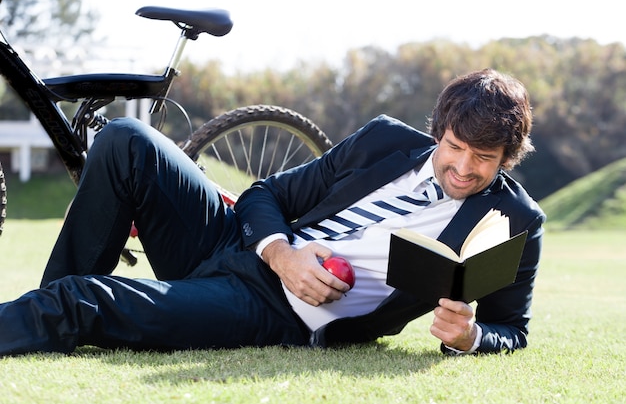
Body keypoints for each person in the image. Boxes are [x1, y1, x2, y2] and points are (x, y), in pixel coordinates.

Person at [0, 68, 545, 357]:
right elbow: (265, 195)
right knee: (124, 138)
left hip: (275, 310)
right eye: (455, 147)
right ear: (438, 131)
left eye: (484, 158)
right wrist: (282, 252)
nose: (463, 168)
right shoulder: (383, 141)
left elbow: (510, 329)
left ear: (507, 158)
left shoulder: (514, 220)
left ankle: (48, 314)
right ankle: (38, 314)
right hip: (238, 245)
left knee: (85, 299)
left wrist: (471, 336)